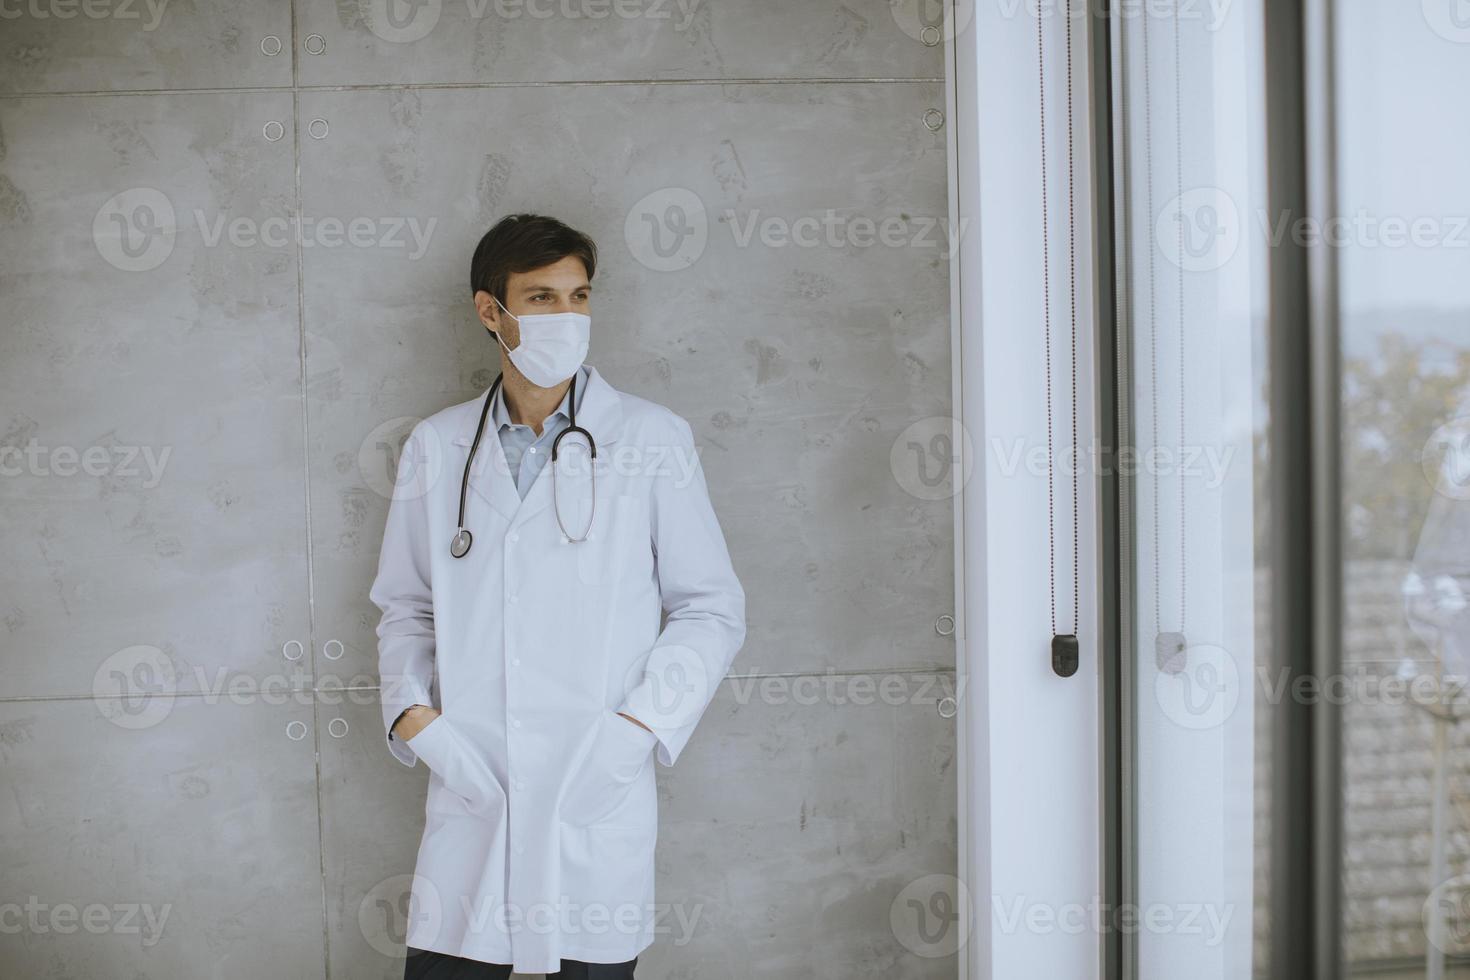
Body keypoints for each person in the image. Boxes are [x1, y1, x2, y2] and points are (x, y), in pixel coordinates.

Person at [369, 213, 747, 979]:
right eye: (540, 298)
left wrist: (635, 729)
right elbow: (406, 607)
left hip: (593, 782)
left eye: (579, 296)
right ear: (491, 313)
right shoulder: (437, 447)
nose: (566, 317)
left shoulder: (650, 438)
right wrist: (416, 718)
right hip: (474, 779)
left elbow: (710, 608)